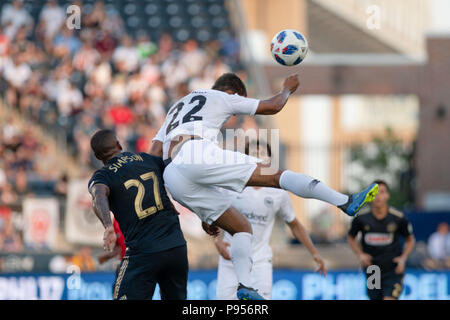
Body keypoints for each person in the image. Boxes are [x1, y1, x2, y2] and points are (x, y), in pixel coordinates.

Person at [149, 72, 378, 300]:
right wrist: (287, 88)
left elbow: (155, 154)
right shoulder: (223, 97)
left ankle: (246, 287)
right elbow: (273, 106)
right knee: (275, 177)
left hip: (173, 176)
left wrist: (178, 202)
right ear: (234, 93)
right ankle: (345, 201)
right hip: (196, 153)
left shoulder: (175, 108)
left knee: (241, 228)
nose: (232, 117)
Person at [214, 139, 327, 300]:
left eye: (262, 153)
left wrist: (315, 253)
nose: (259, 156)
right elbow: (213, 214)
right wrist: (217, 241)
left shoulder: (278, 192)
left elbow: (294, 225)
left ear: (269, 160)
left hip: (260, 262)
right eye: (254, 153)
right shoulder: (230, 186)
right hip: (231, 260)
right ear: (246, 159)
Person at [88, 129, 187, 300]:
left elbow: (98, 195)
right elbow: (176, 174)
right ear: (119, 145)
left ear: (97, 157)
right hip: (176, 247)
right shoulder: (147, 159)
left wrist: (108, 226)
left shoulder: (104, 175)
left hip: (144, 253)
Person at [347, 180, 415, 300]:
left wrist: (403, 259)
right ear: (369, 196)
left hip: (392, 268)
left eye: (382, 192)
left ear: (387, 195)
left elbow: (410, 240)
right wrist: (360, 255)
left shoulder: (398, 218)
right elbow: (351, 238)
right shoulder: (361, 219)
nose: (378, 196)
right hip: (373, 269)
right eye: (375, 193)